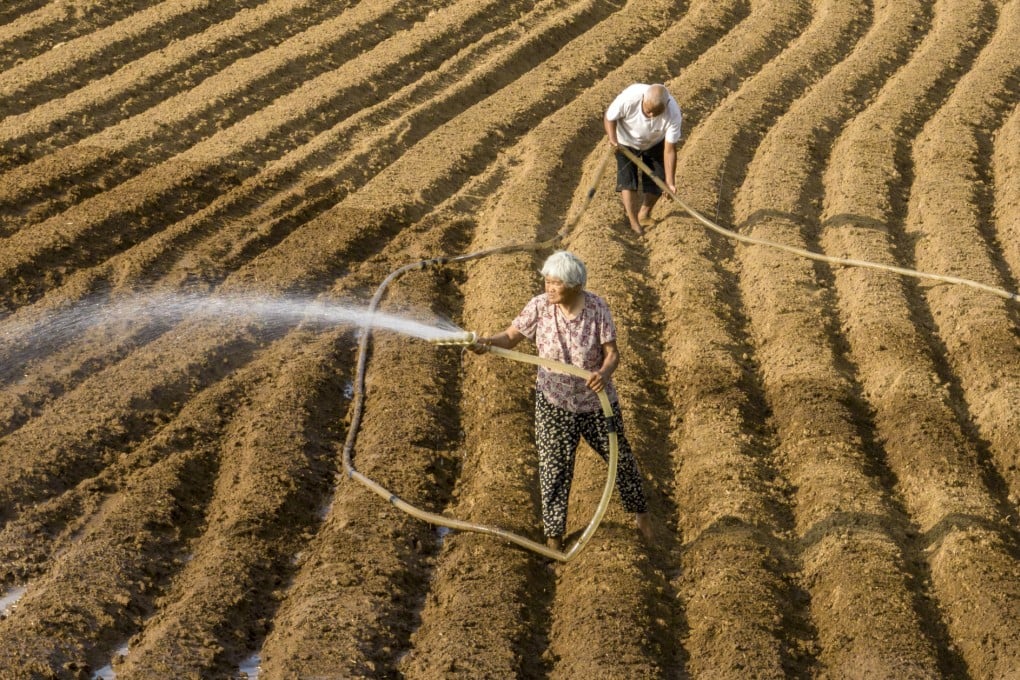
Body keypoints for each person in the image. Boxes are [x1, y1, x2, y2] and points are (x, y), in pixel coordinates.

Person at [471, 251, 652, 551]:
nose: (549, 288)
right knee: (554, 469)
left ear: (576, 285)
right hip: (553, 401)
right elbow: (510, 336)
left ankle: (642, 516)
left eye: (556, 283)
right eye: (547, 281)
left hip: (596, 403)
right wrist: (487, 343)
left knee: (620, 460)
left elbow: (612, 353)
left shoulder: (596, 308)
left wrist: (604, 373)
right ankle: (553, 539)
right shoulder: (540, 307)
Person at [603, 83, 683, 235]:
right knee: (627, 182)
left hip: (654, 141)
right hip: (625, 143)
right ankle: (634, 223)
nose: (651, 116)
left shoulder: (673, 113)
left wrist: (670, 182)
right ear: (643, 99)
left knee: (658, 181)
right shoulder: (629, 99)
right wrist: (613, 139)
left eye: (656, 113)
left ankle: (644, 214)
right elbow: (609, 117)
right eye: (648, 111)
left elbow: (670, 149)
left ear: (666, 105)